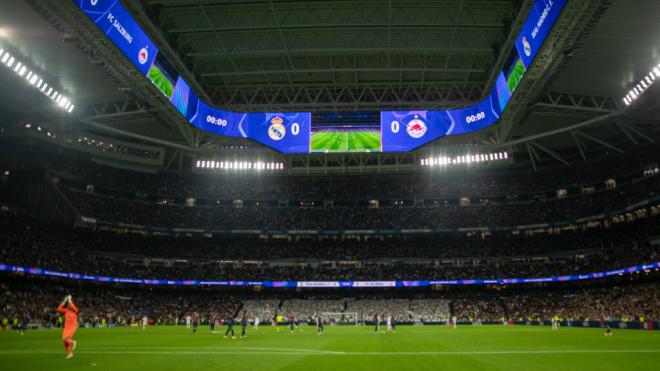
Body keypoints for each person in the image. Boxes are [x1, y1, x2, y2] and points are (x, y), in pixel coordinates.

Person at [56, 295, 78, 359]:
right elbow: (58, 309)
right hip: (66, 328)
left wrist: (69, 299)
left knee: (64, 338)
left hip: (72, 327)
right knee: (65, 341)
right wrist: (65, 301)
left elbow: (72, 305)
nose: (69, 305)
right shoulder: (66, 311)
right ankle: (70, 353)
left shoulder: (75, 310)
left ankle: (73, 342)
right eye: (68, 305)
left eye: (69, 304)